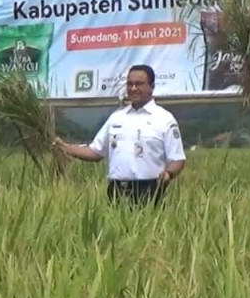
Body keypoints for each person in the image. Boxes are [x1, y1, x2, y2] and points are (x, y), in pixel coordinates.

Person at [52, 64, 186, 207]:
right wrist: (64, 147)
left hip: (150, 190)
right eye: (130, 84)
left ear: (151, 87)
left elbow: (178, 158)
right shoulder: (117, 118)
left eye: (139, 84)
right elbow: (95, 152)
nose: (133, 88)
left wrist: (169, 174)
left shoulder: (164, 119)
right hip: (117, 191)